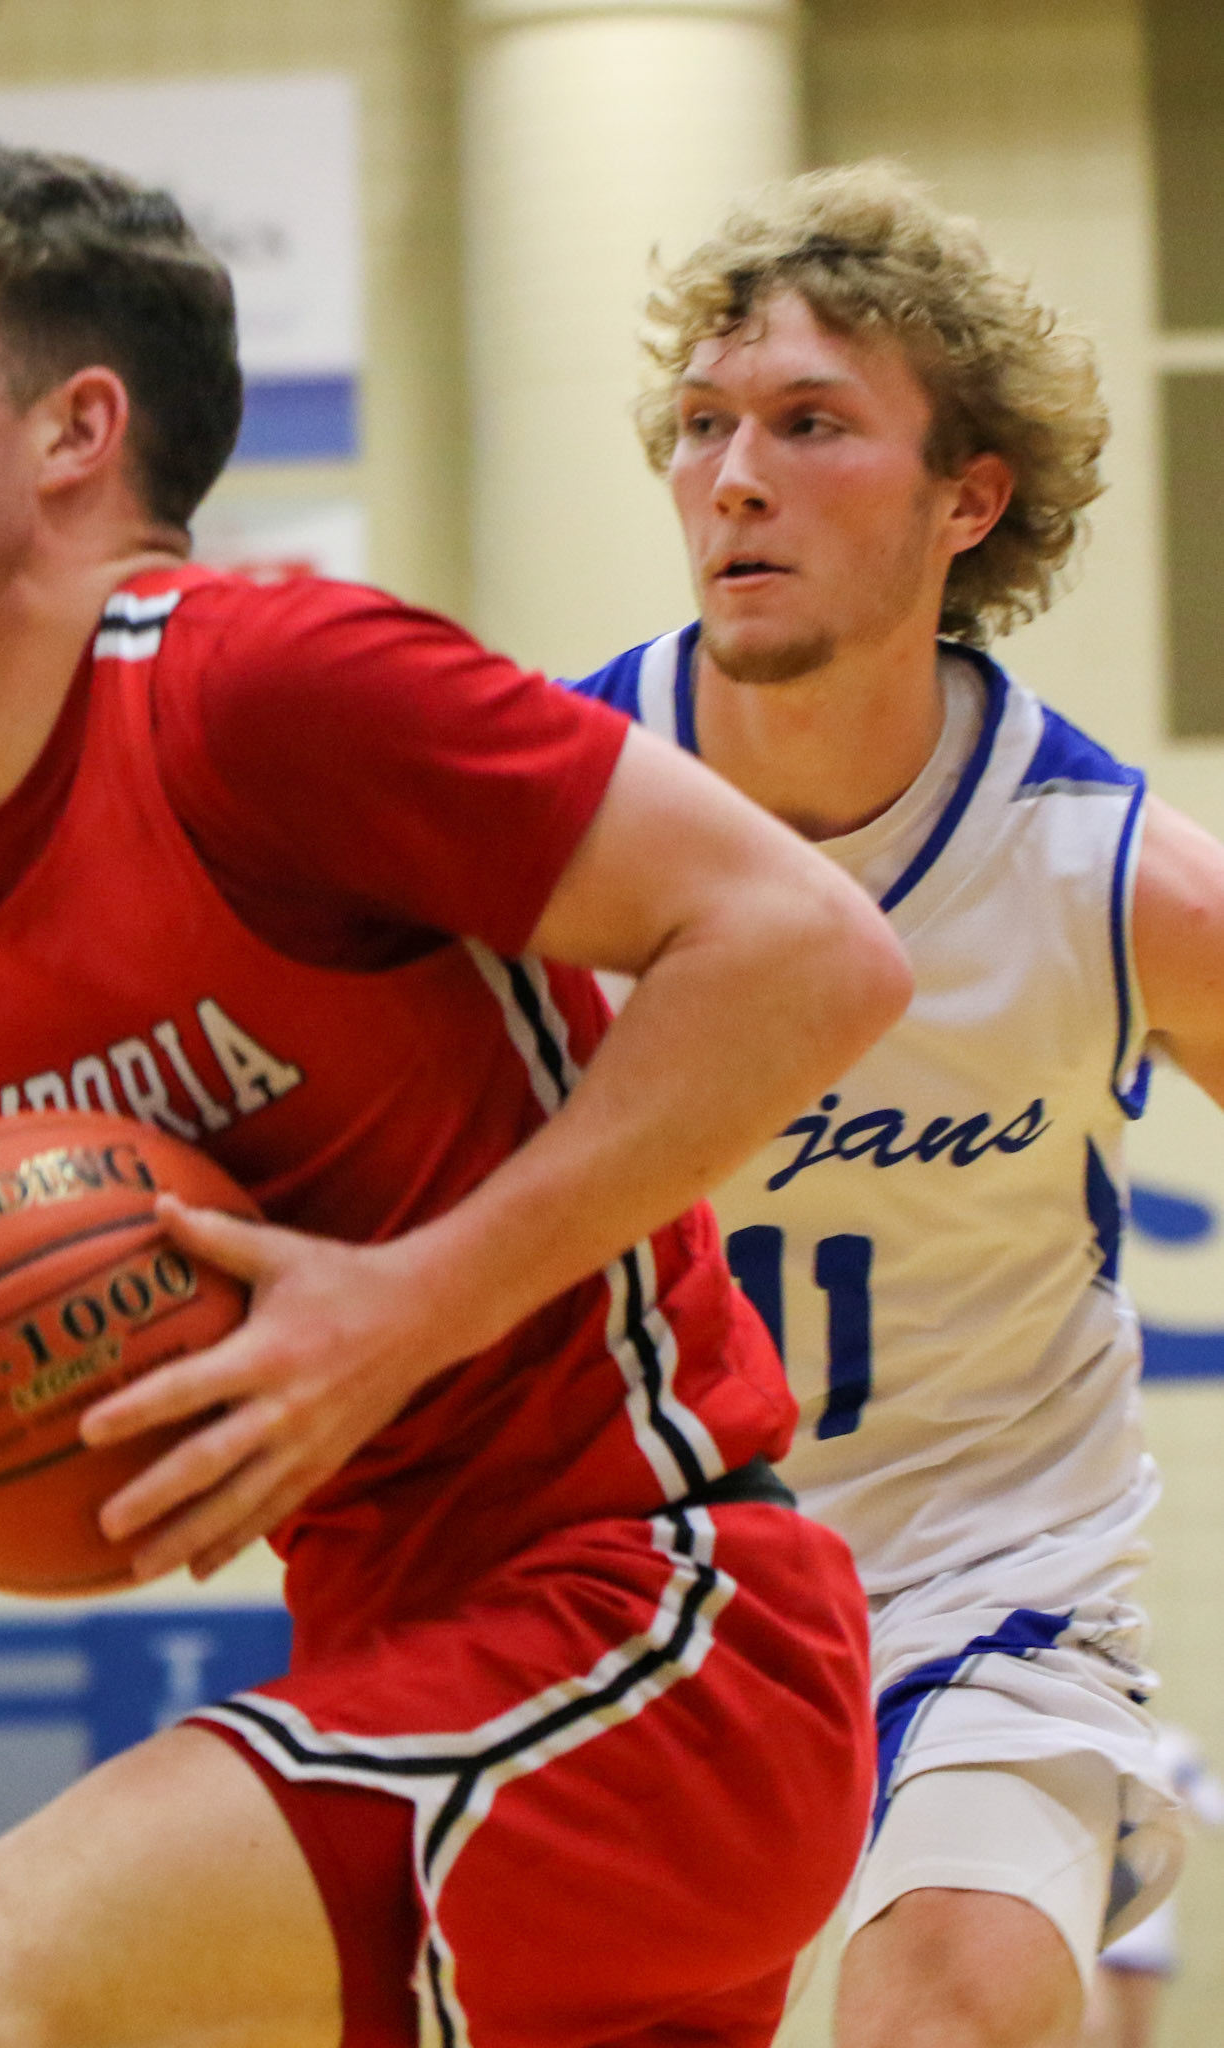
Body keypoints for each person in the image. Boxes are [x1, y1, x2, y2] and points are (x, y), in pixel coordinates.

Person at [0, 143, 911, 2048]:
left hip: (656, 1632)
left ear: (76, 431)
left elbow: (809, 952)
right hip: (394, 1665)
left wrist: (405, 1306)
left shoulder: (268, 689)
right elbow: (118, 1318)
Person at [570, 162, 1224, 2048]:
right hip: (628, 1585)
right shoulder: (535, 813)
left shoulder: (1110, 877)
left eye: (807, 424)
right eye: (700, 426)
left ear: (969, 497)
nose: (733, 476)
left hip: (985, 1586)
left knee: (947, 2003)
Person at [1082, 1725, 1224, 2048]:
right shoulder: (1081, 1733)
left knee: (1135, 2037)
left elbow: (1214, 1811)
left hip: (1145, 1924)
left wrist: (1175, 1803)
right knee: (1091, 2026)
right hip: (1089, 1918)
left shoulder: (1173, 1748)